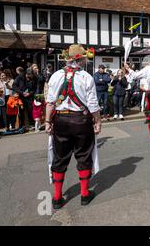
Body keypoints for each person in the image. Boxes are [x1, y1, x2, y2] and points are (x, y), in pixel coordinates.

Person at [45, 44, 101, 210]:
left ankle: (56, 198)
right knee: (83, 155)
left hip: (61, 120)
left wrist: (48, 122)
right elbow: (93, 104)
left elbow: (50, 102)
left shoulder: (55, 76)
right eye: (84, 58)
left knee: (60, 157)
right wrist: (97, 121)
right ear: (81, 59)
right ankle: (84, 195)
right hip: (81, 121)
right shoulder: (86, 77)